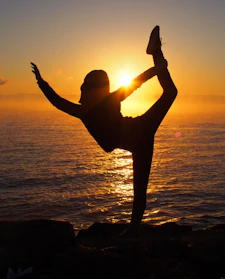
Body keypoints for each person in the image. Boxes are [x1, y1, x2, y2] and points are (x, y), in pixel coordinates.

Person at [31, 26, 177, 239]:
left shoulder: (87, 110)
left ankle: (156, 53)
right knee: (171, 92)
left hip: (141, 133)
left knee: (139, 190)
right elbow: (136, 82)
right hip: (141, 132)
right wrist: (41, 82)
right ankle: (156, 53)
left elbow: (135, 82)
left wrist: (42, 83)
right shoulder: (96, 106)